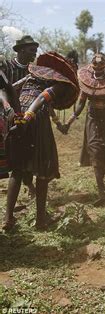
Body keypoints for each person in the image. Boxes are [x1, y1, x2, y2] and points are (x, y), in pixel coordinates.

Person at [3, 52, 79, 231]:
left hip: (18, 116)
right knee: (43, 171)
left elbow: (11, 89)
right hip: (34, 120)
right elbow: (41, 98)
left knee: (18, 169)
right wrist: (27, 118)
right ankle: (40, 220)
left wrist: (14, 114)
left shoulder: (32, 76)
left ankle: (7, 218)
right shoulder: (59, 85)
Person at [62, 53, 105, 206]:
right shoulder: (86, 80)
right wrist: (69, 121)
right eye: (95, 67)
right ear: (92, 67)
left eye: (101, 67)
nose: (98, 69)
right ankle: (101, 190)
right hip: (92, 117)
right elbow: (81, 103)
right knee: (94, 150)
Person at [1, 35, 40, 197]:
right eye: (32, 50)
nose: (35, 54)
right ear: (21, 50)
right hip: (8, 116)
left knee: (27, 154)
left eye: (36, 51)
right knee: (13, 157)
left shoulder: (34, 70)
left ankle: (29, 186)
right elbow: (4, 89)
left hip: (28, 116)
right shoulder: (7, 67)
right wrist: (10, 109)